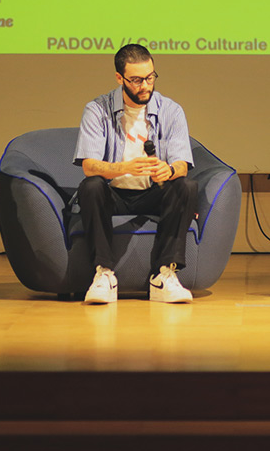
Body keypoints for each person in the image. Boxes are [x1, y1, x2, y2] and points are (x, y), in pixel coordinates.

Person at [73, 44, 197, 303]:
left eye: (150, 77)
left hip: (153, 192)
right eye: (137, 80)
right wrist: (123, 168)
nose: (145, 86)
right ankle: (104, 274)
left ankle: (165, 275)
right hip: (113, 192)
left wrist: (169, 169)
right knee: (91, 186)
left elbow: (182, 165)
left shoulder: (171, 110)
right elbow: (89, 166)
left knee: (186, 186)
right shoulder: (97, 110)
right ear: (120, 78)